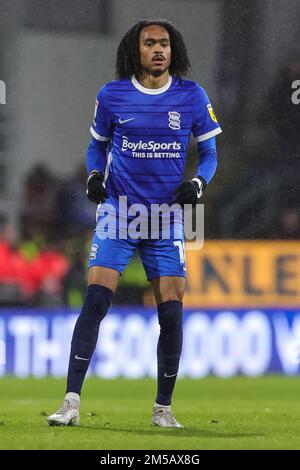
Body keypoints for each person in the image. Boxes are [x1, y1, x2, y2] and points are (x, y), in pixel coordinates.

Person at [47, 19, 221, 428]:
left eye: (164, 43)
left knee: (172, 314)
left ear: (173, 50)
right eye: (150, 43)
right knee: (95, 301)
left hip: (166, 218)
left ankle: (163, 409)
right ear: (135, 50)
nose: (159, 49)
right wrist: (93, 176)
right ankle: (70, 403)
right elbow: (97, 145)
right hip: (119, 213)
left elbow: (210, 153)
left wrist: (198, 182)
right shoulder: (113, 95)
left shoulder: (192, 96)